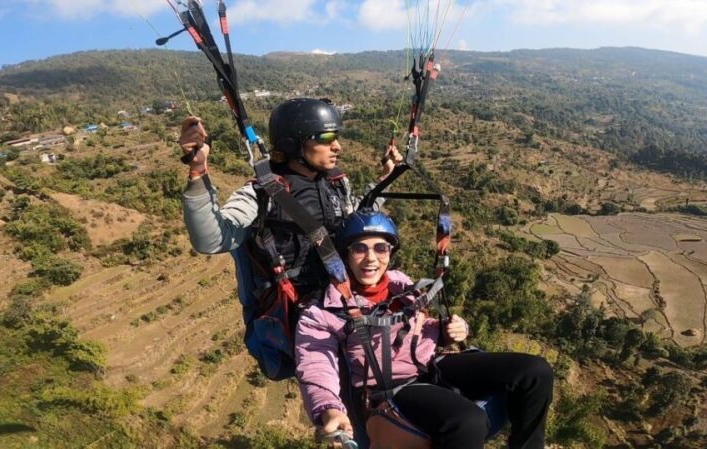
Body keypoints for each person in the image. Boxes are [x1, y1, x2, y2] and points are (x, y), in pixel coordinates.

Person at [294, 209, 554, 449]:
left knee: (535, 372)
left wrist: (446, 330)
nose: (371, 258)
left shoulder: (400, 284)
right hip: (395, 386)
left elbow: (419, 325)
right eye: (359, 248)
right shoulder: (323, 311)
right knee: (467, 420)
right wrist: (328, 408)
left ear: (391, 252)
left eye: (381, 248)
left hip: (432, 363)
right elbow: (315, 365)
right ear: (344, 254)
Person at [180, 98, 401, 303]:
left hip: (341, 300)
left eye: (336, 137)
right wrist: (198, 172)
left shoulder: (335, 183)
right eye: (325, 138)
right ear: (292, 144)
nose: (337, 147)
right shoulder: (263, 193)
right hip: (296, 314)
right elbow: (211, 240)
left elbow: (358, 219)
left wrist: (386, 177)